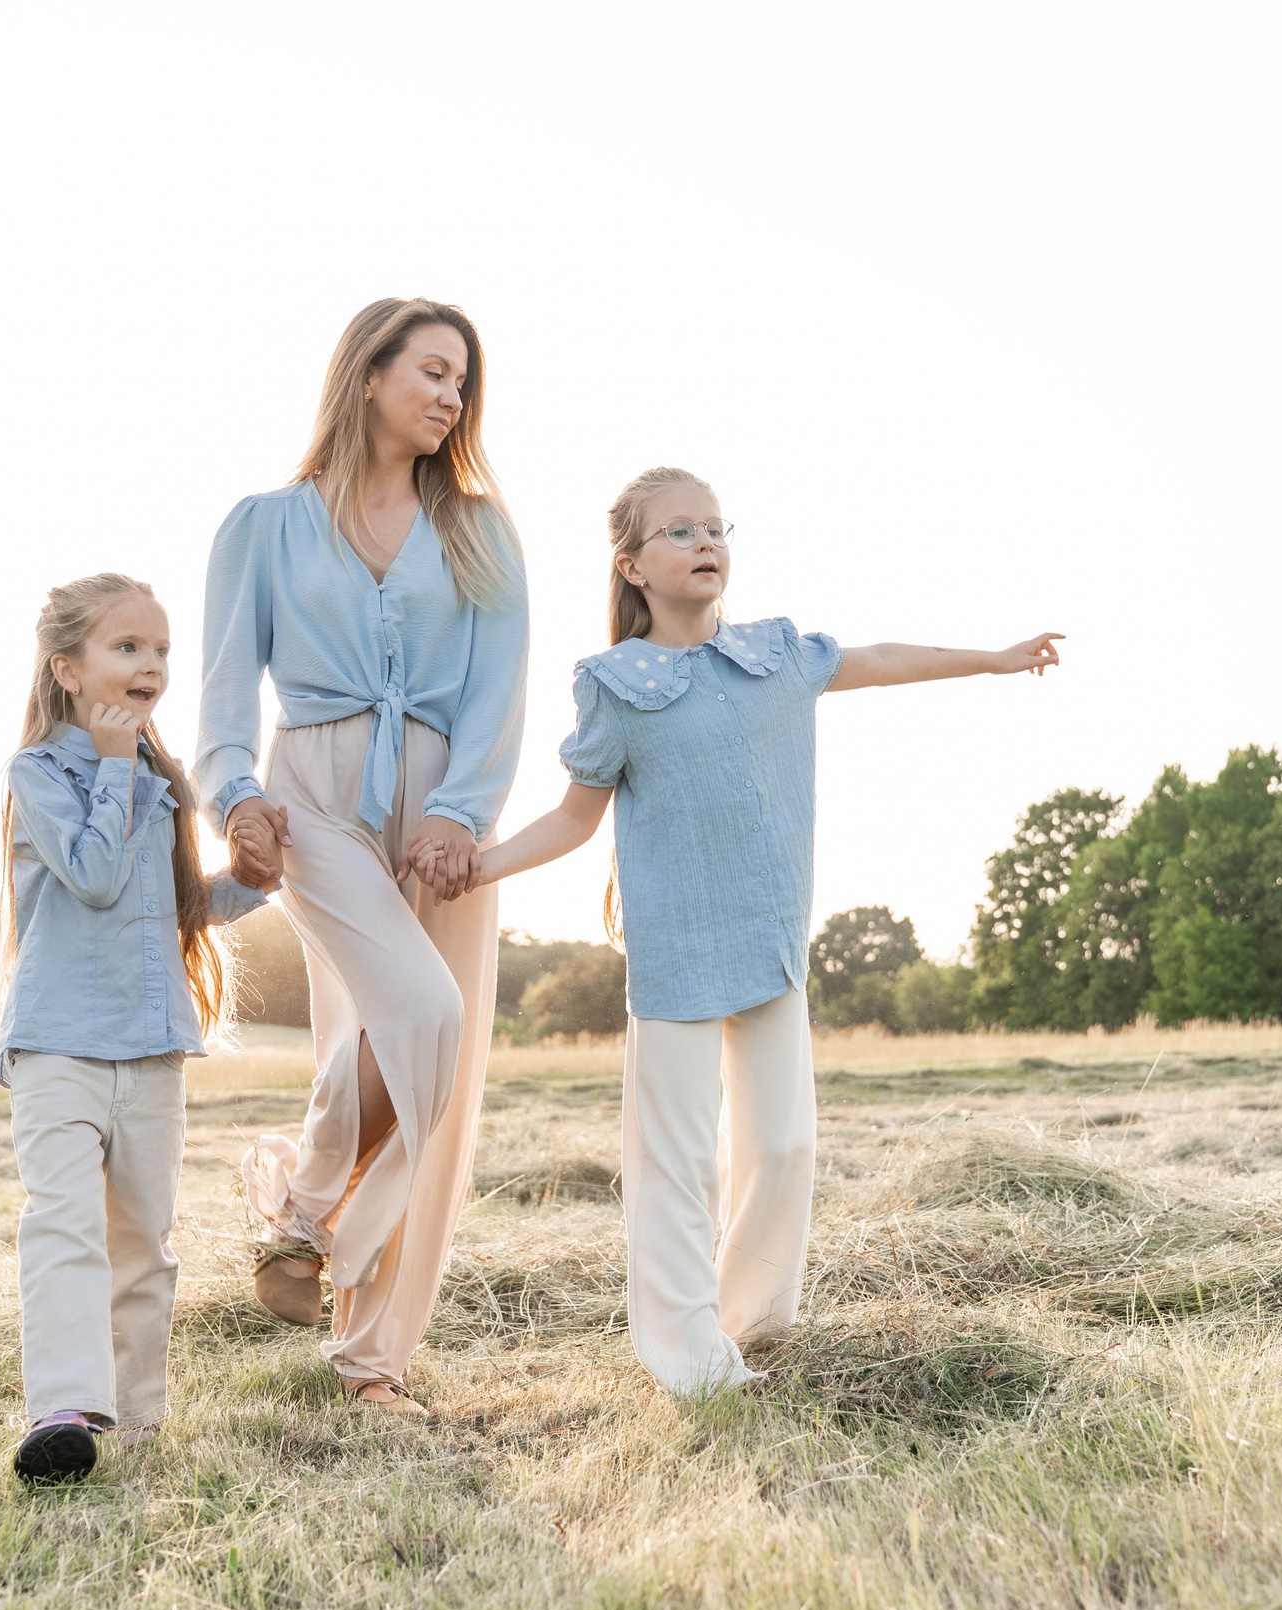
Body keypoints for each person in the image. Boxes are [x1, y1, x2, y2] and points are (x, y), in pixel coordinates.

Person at [439, 467, 1060, 1395]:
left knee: (783, 1148)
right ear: (632, 565)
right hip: (678, 956)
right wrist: (479, 866)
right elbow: (575, 819)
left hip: (770, 944)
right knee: (678, 1171)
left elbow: (885, 657)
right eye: (679, 531)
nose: (705, 543)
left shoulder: (779, 656)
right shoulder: (617, 685)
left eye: (715, 527)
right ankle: (691, 1361)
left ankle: (753, 1324)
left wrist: (995, 657)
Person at [196, 298, 528, 1418]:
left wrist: (464, 811)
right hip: (314, 805)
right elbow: (222, 701)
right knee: (422, 1017)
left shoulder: (480, 530)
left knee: (433, 1066)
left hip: (440, 817)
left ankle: (371, 1357)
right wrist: (236, 798)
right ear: (369, 371)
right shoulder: (263, 524)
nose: (450, 397)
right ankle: (305, 1210)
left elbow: (498, 691)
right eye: (432, 371)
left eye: (462, 384)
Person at [0, 573, 279, 1483]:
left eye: (159, 650)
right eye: (127, 648)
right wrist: (117, 768)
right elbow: (95, 878)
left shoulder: (161, 779)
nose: (151, 664)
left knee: (144, 1243)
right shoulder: (39, 774)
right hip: (59, 1047)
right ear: (67, 669)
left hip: (151, 1051)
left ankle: (139, 1420)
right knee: (65, 1229)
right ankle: (63, 1412)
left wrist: (256, 880)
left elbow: (177, 910)